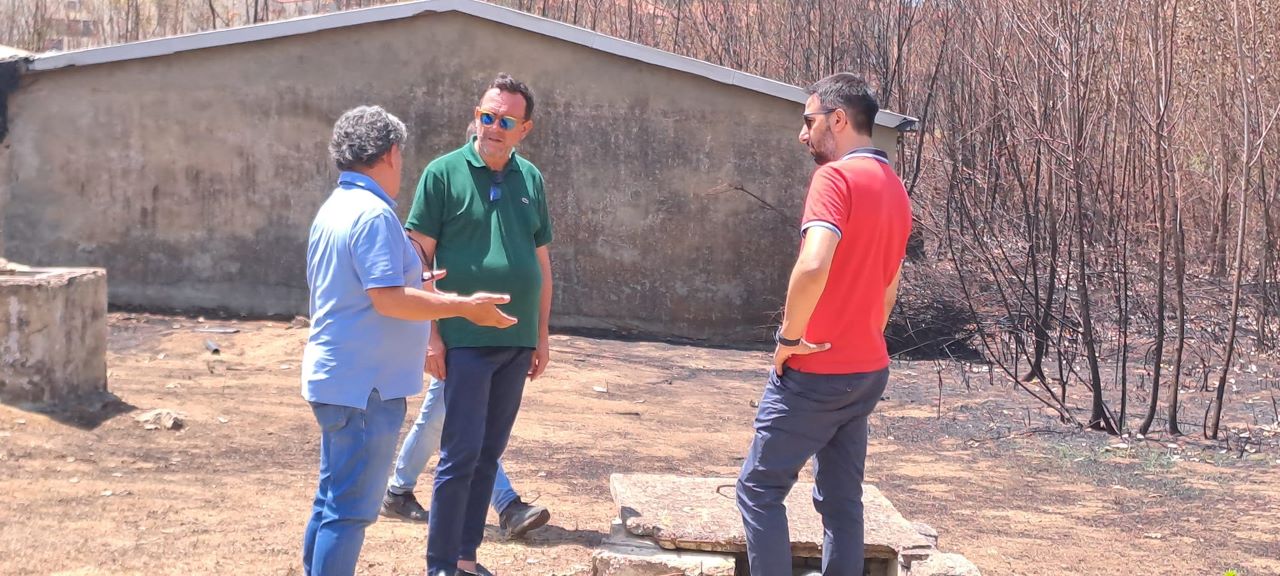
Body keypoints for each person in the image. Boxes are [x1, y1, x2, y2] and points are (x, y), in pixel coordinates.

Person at [300, 105, 516, 576]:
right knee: (350, 512)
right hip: (364, 389)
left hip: (340, 380)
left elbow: (371, 287)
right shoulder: (374, 214)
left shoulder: (336, 208)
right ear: (392, 153)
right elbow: (388, 300)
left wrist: (420, 284)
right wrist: (461, 305)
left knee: (331, 501)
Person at [735, 73, 912, 576]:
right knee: (841, 501)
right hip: (867, 370)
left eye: (808, 121)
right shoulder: (896, 189)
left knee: (759, 490)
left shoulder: (834, 179)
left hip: (817, 372)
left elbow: (814, 264)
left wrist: (788, 338)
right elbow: (888, 284)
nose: (803, 134)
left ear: (838, 119)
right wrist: (864, 337)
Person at [411, 74, 554, 576]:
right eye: (487, 116)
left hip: (516, 341)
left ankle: (466, 560)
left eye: (506, 120)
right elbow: (418, 257)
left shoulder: (530, 179)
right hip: (465, 337)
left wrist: (541, 333)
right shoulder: (442, 173)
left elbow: (541, 263)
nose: (493, 127)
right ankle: (440, 566)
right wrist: (430, 332)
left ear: (524, 129)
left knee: (488, 455)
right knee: (459, 455)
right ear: (477, 114)